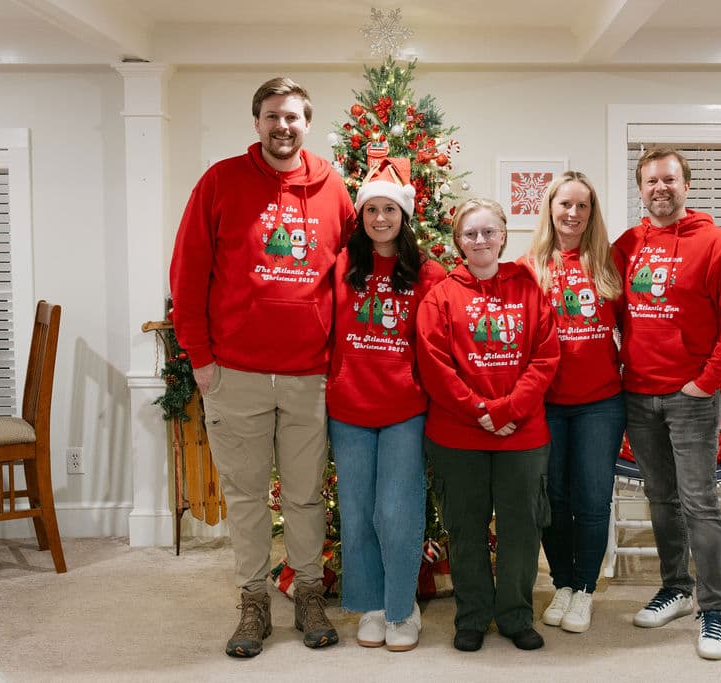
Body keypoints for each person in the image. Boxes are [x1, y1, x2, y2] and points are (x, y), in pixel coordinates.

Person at [169, 76, 355, 658]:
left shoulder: (333, 190)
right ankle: (252, 600)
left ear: (307, 123)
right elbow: (187, 274)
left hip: (308, 376)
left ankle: (306, 593)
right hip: (237, 374)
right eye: (272, 116)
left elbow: (351, 281)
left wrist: (339, 364)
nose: (283, 126)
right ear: (257, 122)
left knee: (303, 497)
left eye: (294, 117)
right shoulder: (220, 182)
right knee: (246, 496)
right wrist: (200, 359)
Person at [613, 147, 721, 661]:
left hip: (690, 398)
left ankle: (713, 608)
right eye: (650, 180)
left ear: (686, 185)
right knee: (661, 499)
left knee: (700, 501)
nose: (660, 188)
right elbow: (598, 304)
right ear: (640, 188)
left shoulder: (715, 243)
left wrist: (707, 382)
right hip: (638, 395)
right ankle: (675, 586)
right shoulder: (627, 245)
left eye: (669, 179)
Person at [416, 198, 560, 652]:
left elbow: (546, 355)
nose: (480, 240)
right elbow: (434, 364)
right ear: (458, 241)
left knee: (522, 528)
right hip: (458, 433)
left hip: (522, 433)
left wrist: (506, 411)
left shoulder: (529, 289)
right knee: (465, 527)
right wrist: (479, 410)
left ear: (503, 235)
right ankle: (473, 616)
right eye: (470, 233)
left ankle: (516, 615)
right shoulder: (440, 295)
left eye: (489, 232)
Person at [326, 146, 446, 652]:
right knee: (356, 512)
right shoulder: (342, 266)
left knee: (396, 512)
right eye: (371, 209)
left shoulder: (428, 273)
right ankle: (372, 604)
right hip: (348, 409)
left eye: (389, 209)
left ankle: (402, 607)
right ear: (361, 215)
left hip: (403, 410)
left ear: (404, 214)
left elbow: (439, 343)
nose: (379, 218)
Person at [520, 171, 624, 634]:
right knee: (553, 499)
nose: (573, 214)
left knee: (592, 498)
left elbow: (640, 330)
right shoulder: (529, 267)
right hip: (546, 405)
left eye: (583, 206)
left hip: (601, 403)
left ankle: (584, 589)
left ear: (592, 213)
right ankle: (561, 582)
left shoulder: (609, 262)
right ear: (550, 208)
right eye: (565, 204)